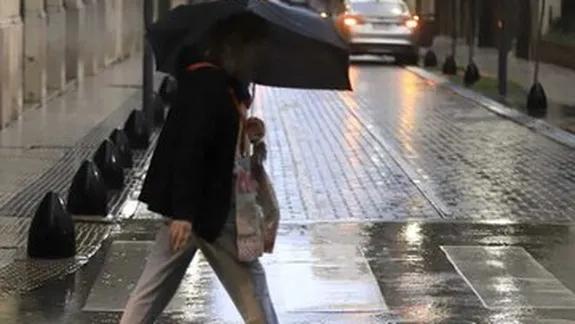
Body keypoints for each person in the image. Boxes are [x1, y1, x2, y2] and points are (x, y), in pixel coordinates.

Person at [119, 14, 278, 324]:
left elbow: (214, 141)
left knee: (151, 290)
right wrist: (184, 215)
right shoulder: (209, 86)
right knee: (252, 287)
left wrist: (246, 130)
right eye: (252, 50)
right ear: (233, 48)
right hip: (207, 209)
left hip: (194, 206)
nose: (256, 58)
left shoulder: (221, 85)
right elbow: (191, 150)